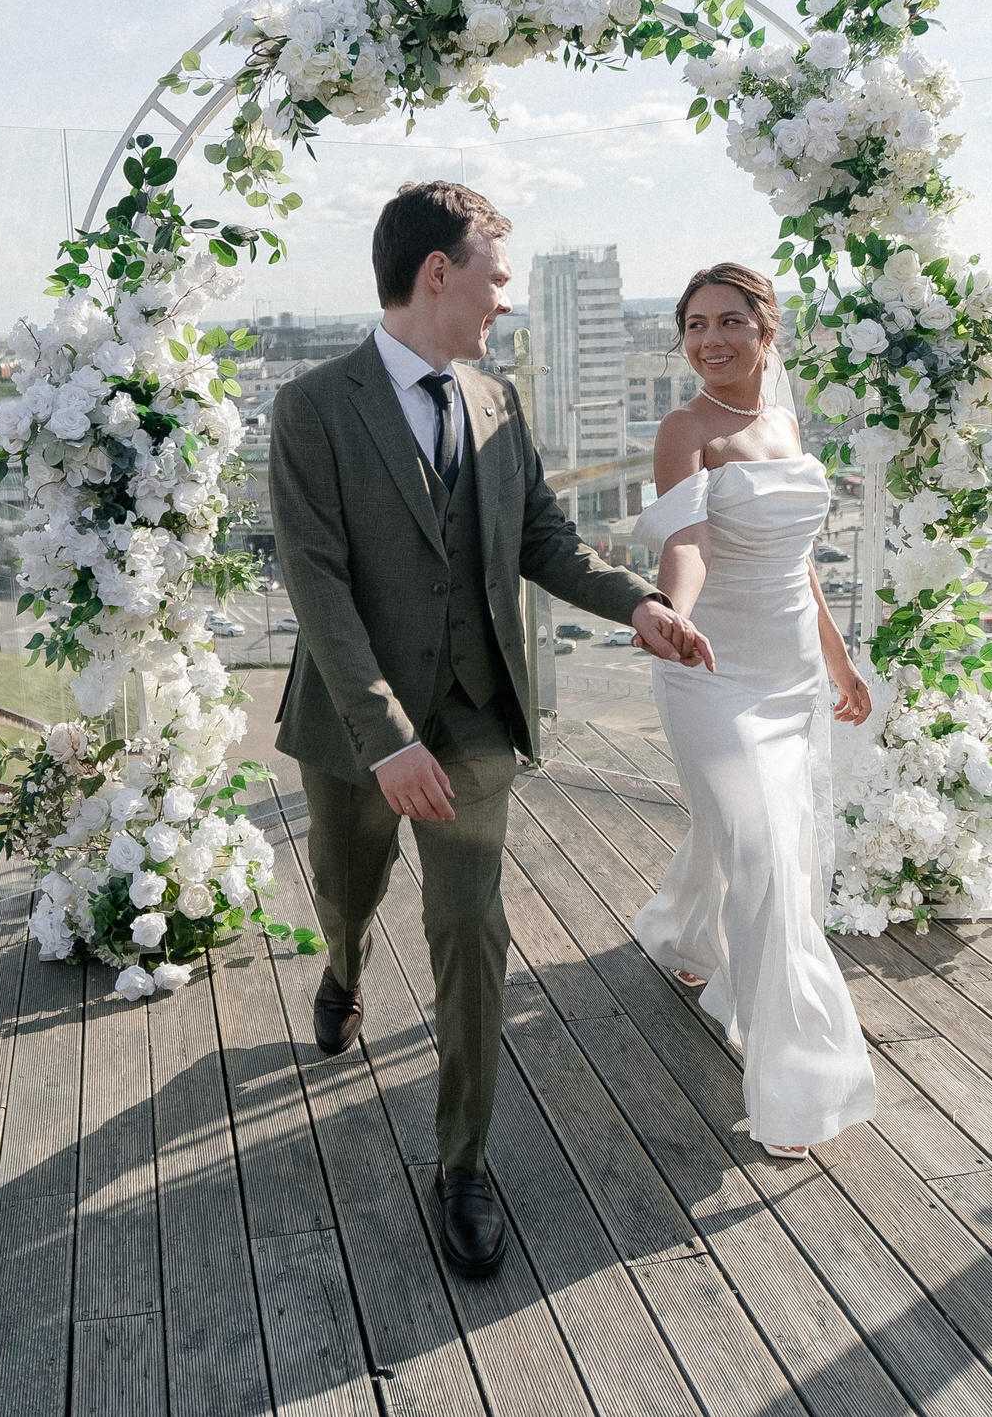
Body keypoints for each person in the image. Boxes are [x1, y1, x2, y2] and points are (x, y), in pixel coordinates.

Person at [267, 181, 713, 1279]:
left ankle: (461, 1161)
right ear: (437, 275)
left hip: (472, 720)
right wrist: (382, 738)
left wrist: (639, 606)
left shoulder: (499, 401)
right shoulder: (312, 408)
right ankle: (340, 963)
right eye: (496, 278)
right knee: (346, 888)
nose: (502, 302)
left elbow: (546, 542)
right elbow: (317, 590)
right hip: (357, 726)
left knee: (472, 930)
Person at [631, 262, 879, 1161]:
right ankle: (799, 1084)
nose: (711, 340)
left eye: (730, 321)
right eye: (695, 324)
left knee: (758, 832)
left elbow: (798, 561)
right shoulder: (683, 430)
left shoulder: (782, 420)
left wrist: (838, 659)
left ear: (766, 330)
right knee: (766, 851)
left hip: (789, 674)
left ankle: (684, 928)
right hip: (710, 672)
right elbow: (687, 543)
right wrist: (677, 615)